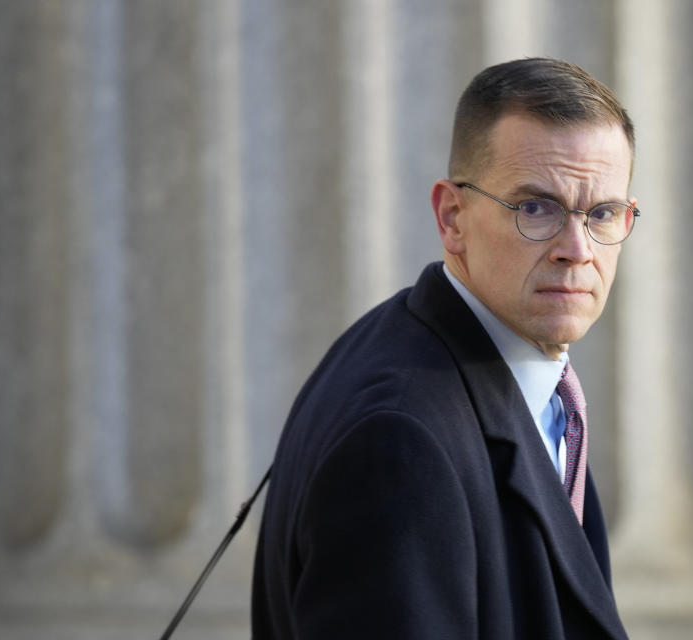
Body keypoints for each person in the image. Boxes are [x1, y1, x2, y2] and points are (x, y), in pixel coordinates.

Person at [252, 57, 638, 639]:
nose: (576, 249)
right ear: (452, 216)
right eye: (536, 207)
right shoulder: (400, 442)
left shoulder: (498, 372)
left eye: (602, 213)